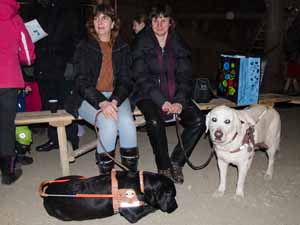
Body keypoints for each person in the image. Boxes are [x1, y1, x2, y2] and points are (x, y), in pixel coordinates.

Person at [131, 4, 206, 184]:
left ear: (170, 23)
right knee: (155, 120)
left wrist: (179, 101)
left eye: (163, 20)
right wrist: (162, 101)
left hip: (175, 95)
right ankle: (163, 166)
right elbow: (141, 77)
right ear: (151, 22)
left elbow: (186, 76)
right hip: (147, 94)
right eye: (156, 19)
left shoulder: (178, 43)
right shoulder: (141, 42)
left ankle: (176, 161)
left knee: (198, 121)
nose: (159, 24)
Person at [65, 4, 138, 174]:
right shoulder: (84, 47)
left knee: (127, 123)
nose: (100, 22)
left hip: (116, 96)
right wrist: (101, 102)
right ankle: (105, 178)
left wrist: (114, 100)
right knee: (109, 125)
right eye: (97, 18)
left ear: (113, 24)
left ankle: (130, 175)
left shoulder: (123, 47)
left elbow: (127, 79)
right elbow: (81, 81)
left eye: (105, 18)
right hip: (88, 98)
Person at [34, 0, 84, 152]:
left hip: (64, 64)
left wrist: (73, 63)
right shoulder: (40, 8)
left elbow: (79, 38)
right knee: (50, 105)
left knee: (66, 103)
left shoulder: (71, 8)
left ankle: (70, 140)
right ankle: (54, 138)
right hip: (44, 64)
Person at [0, 0, 35, 185]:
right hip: (7, 78)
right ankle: (7, 172)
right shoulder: (14, 18)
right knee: (6, 125)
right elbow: (28, 57)